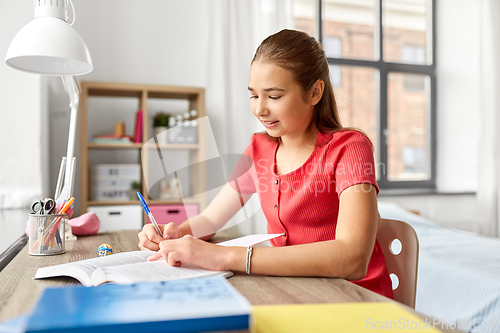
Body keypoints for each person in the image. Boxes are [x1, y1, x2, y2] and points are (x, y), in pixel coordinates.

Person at [139, 29, 394, 299]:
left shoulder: (350, 148)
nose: (260, 109)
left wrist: (225, 256)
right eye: (253, 95)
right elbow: (213, 218)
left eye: (274, 96)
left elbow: (352, 259)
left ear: (315, 92)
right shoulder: (259, 149)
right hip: (296, 291)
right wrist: (174, 234)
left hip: (355, 299)